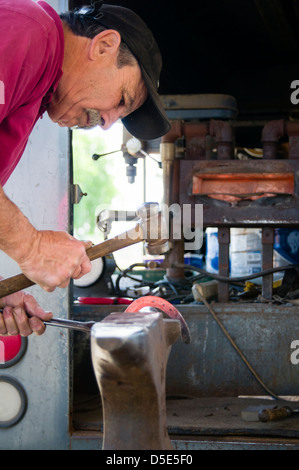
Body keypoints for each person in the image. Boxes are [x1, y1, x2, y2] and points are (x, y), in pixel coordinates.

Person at [0, 0, 170, 336]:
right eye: (122, 100)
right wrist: (31, 247)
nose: (107, 124)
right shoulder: (30, 31)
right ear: (105, 46)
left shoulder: (35, 90)